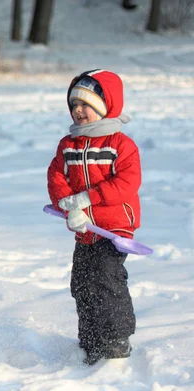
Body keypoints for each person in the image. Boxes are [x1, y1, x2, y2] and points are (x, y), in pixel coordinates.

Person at [47, 69, 140, 365]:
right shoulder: (68, 145)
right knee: (82, 282)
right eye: (73, 104)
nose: (77, 110)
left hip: (114, 228)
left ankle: (116, 340)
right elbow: (56, 175)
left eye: (85, 104)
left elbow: (127, 183)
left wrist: (87, 199)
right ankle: (90, 340)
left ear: (104, 106)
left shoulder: (120, 145)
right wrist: (68, 205)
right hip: (85, 230)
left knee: (106, 278)